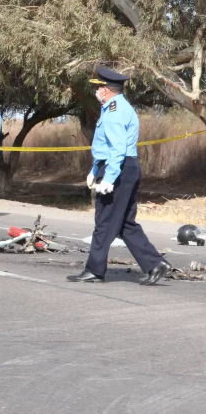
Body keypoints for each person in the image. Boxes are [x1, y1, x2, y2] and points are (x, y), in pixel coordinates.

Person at [67, 66, 170, 285]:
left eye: (99, 88)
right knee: (124, 223)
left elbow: (117, 149)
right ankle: (155, 263)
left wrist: (109, 178)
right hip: (122, 167)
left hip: (119, 168)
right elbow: (107, 147)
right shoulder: (114, 108)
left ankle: (94, 270)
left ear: (106, 90)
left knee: (104, 221)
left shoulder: (114, 112)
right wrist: (95, 171)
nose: (96, 92)